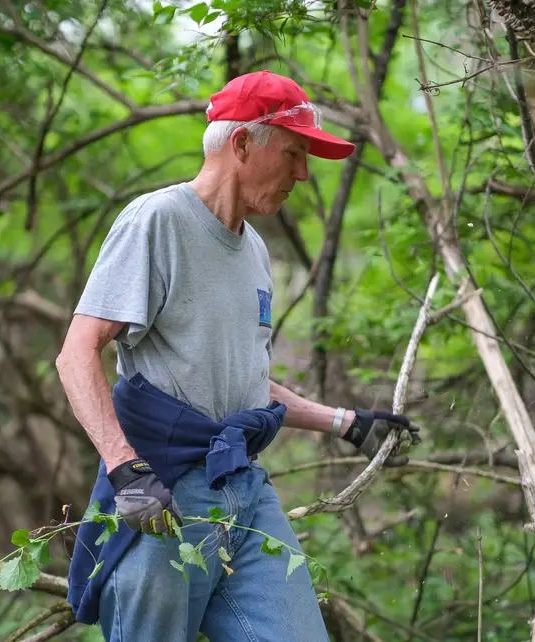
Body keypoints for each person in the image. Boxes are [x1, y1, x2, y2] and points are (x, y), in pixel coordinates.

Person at [55, 70, 420, 642]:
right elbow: (77, 353)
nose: (303, 173)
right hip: (163, 494)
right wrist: (125, 469)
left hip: (243, 491)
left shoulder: (253, 250)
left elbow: (240, 383)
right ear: (243, 143)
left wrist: (347, 424)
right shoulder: (158, 221)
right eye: (296, 153)